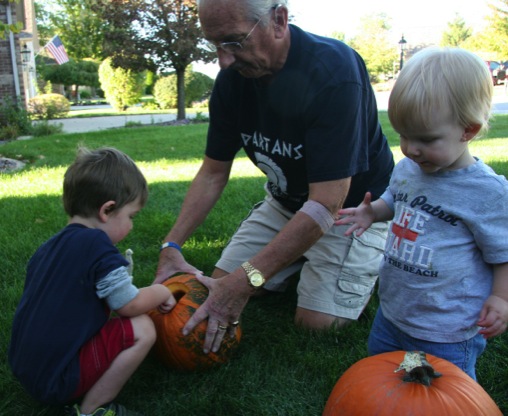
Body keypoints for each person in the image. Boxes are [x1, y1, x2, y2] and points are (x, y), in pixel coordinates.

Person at [154, 0, 394, 354]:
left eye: (234, 42)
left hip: (354, 212)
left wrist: (248, 279)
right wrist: (170, 245)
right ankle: (296, 259)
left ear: (279, 20)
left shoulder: (334, 72)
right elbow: (212, 172)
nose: (224, 59)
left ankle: (376, 250)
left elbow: (327, 203)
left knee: (317, 325)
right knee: (219, 284)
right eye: (215, 45)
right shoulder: (232, 81)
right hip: (286, 204)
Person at [336, 47, 508, 380]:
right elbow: (396, 200)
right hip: (394, 314)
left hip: (447, 328)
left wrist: (501, 298)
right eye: (403, 135)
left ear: (468, 130)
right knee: (385, 379)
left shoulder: (487, 192)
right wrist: (373, 213)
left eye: (426, 139)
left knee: (445, 394)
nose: (411, 149)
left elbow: (503, 254)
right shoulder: (408, 168)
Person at [8, 147, 176, 416]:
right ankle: (92, 409)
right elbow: (129, 305)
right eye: (131, 216)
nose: (132, 225)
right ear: (107, 210)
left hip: (28, 369)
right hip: (58, 379)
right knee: (142, 328)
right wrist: (160, 290)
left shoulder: (48, 248)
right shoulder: (97, 245)